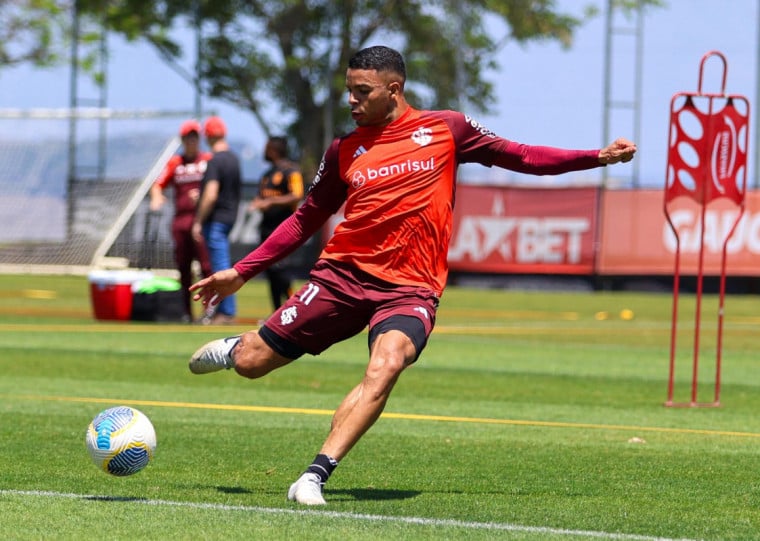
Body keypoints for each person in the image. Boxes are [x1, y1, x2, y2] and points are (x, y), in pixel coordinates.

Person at [188, 45, 636, 505]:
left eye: (362, 92)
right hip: (341, 277)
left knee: (385, 366)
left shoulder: (447, 128)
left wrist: (595, 157)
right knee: (252, 364)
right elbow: (304, 219)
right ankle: (236, 347)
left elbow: (520, 155)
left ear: (394, 89)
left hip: (410, 289)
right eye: (349, 91)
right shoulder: (344, 149)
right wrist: (241, 273)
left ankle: (313, 477)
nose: (351, 101)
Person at [149, 119, 213, 321]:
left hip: (202, 222)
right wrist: (157, 197)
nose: (192, 141)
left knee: (206, 267)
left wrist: (201, 196)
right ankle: (186, 312)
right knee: (183, 269)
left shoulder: (208, 161)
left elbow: (216, 188)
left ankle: (209, 311)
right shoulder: (176, 163)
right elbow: (157, 184)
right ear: (183, 140)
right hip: (181, 222)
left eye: (195, 136)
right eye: (188, 137)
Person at [192, 116, 242, 325]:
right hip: (230, 216)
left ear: (208, 136)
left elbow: (211, 195)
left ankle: (227, 312)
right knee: (221, 263)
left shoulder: (215, 160)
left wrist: (198, 220)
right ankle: (223, 310)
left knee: (220, 267)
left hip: (217, 218)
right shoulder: (233, 158)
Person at [248, 136, 305, 309]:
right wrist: (258, 203)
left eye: (266, 147)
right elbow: (262, 197)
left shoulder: (291, 171)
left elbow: (297, 195)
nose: (264, 151)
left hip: (285, 229)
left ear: (273, 149)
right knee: (271, 272)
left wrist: (271, 202)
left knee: (281, 271)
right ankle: (275, 313)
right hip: (267, 229)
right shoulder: (267, 174)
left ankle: (293, 309)